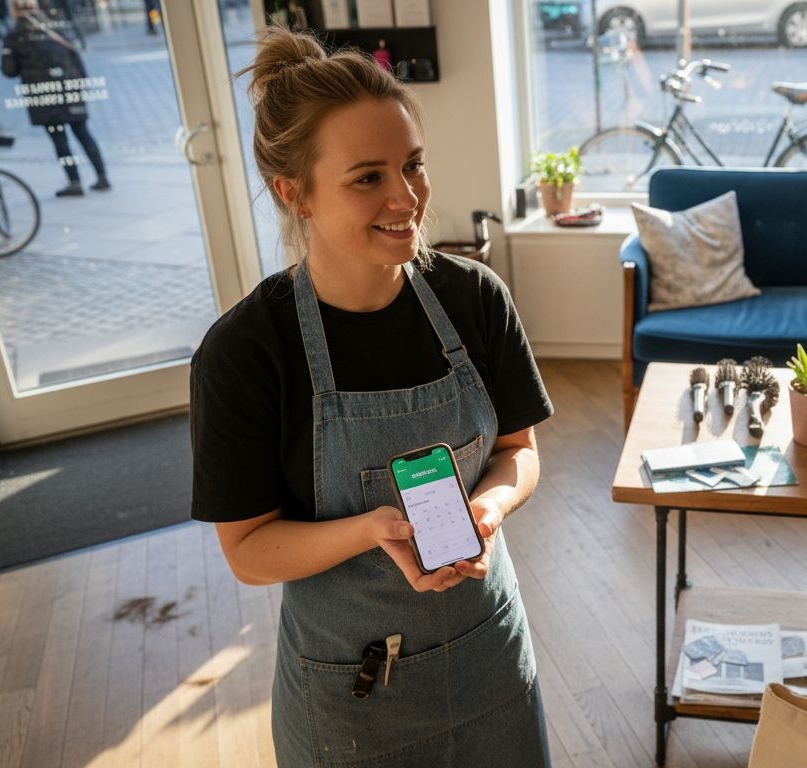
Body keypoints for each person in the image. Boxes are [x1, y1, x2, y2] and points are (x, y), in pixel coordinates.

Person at [189, 28, 554, 767]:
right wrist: (372, 529)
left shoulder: (476, 299)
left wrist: (490, 506)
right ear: (295, 193)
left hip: (490, 660)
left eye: (413, 165)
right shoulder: (247, 352)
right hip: (350, 693)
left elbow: (519, 452)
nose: (406, 197)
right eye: (367, 178)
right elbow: (249, 551)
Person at [0, 0, 108, 197]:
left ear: (14, 10)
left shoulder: (15, 36)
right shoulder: (54, 25)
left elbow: (9, 70)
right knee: (82, 132)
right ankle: (102, 176)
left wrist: (8, 53)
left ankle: (74, 181)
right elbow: (75, 56)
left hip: (44, 95)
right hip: (68, 89)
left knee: (59, 138)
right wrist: (79, 84)